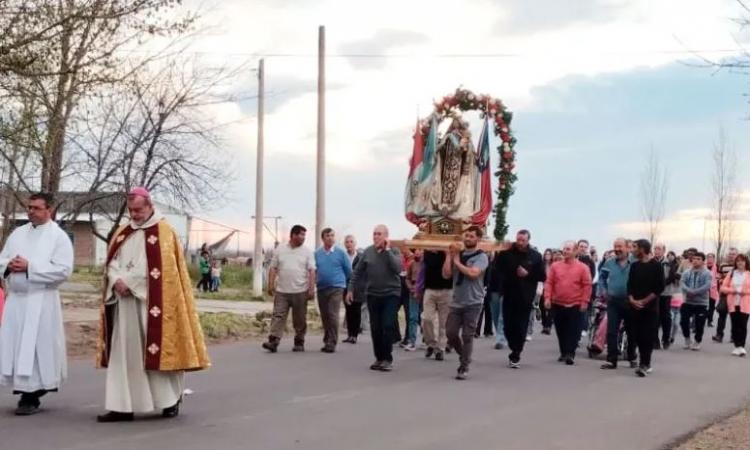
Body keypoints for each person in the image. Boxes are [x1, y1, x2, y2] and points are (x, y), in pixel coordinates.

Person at [96, 187, 210, 422]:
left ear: (149, 206)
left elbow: (162, 272)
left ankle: (169, 401)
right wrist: (116, 279)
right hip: (125, 305)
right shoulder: (122, 232)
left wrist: (130, 282)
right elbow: (112, 262)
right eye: (131, 210)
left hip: (152, 305)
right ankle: (122, 406)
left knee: (159, 352)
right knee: (125, 355)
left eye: (138, 210)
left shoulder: (165, 232)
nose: (134, 214)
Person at [0, 192, 73, 416]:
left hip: (41, 302)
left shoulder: (58, 237)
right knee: (17, 346)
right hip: (17, 301)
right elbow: (2, 258)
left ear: (48, 210)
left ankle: (31, 395)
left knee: (36, 349)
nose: (31, 211)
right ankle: (26, 388)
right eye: (29, 207)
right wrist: (10, 265)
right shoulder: (18, 234)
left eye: (36, 207)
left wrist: (30, 267)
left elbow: (63, 270)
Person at [347, 225, 402, 372]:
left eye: (379, 234)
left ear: (386, 236)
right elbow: (357, 272)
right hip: (373, 294)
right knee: (375, 328)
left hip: (391, 294)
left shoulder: (394, 250)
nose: (376, 237)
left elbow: (398, 268)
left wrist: (388, 250)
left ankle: (387, 359)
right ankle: (379, 358)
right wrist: (350, 289)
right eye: (374, 234)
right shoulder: (368, 252)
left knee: (387, 325)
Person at [442, 226, 489, 380]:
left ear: (478, 239)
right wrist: (449, 257)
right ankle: (464, 355)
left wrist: (457, 262)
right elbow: (446, 274)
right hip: (457, 301)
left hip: (473, 301)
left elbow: (473, 273)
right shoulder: (458, 254)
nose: (467, 238)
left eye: (471, 236)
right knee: (451, 333)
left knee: (468, 335)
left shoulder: (481, 257)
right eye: (466, 236)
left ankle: (464, 366)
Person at [497, 230, 546, 369]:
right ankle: (513, 344)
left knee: (521, 325)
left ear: (528, 240)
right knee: (508, 325)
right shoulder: (507, 252)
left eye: (523, 240)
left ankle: (516, 353)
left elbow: (542, 276)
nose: (520, 242)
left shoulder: (535, 256)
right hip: (509, 293)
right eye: (518, 239)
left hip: (525, 295)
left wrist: (528, 274)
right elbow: (498, 267)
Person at [262, 225, 316, 353]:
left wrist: (311, 288)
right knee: (278, 315)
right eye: (301, 235)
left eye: (304, 235)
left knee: (300, 319)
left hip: (300, 291)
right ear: (293, 235)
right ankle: (273, 341)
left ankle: (299, 341)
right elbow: (273, 268)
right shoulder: (280, 249)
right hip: (282, 291)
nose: (303, 238)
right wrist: (270, 285)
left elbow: (312, 271)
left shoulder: (307, 252)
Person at [544, 241, 592, 365]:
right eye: (564, 249)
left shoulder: (583, 267)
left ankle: (570, 353)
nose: (565, 251)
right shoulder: (555, 266)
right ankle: (564, 352)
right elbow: (549, 283)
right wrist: (547, 298)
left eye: (568, 249)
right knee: (561, 329)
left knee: (574, 330)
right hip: (558, 302)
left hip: (575, 303)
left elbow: (587, 285)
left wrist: (584, 302)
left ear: (575, 251)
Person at [627, 239, 665, 377]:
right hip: (634, 306)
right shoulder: (635, 266)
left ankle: (645, 364)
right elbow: (629, 285)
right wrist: (632, 299)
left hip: (649, 308)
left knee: (646, 337)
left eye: (635, 247)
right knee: (635, 335)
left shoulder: (656, 266)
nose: (632, 250)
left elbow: (659, 287)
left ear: (642, 249)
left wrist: (643, 301)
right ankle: (640, 361)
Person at [599, 238, 637, 370]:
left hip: (631, 302)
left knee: (632, 332)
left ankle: (632, 357)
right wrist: (604, 291)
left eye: (620, 246)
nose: (617, 249)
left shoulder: (635, 262)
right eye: (615, 246)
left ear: (628, 247)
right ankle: (611, 360)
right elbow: (602, 278)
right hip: (613, 301)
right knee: (611, 331)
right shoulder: (609, 263)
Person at [314, 228, 351, 353]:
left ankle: (332, 342)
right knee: (325, 315)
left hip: (336, 287)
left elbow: (349, 271)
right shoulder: (317, 254)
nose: (330, 238)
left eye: (332, 235)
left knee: (332, 314)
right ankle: (327, 339)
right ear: (323, 238)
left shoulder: (341, 253)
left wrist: (342, 283)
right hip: (321, 288)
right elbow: (314, 270)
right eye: (327, 235)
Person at [421, 250, 453, 361]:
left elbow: (448, 273)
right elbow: (432, 264)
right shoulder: (429, 251)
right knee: (427, 318)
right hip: (430, 289)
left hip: (446, 290)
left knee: (443, 323)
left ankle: (440, 348)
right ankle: (431, 343)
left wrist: (448, 254)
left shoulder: (451, 252)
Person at [679, 252, 712, 351]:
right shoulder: (687, 272)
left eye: (698, 259)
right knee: (683, 321)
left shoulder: (707, 273)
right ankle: (687, 339)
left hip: (701, 303)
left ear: (703, 261)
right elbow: (682, 282)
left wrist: (695, 292)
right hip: (687, 301)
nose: (695, 261)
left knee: (699, 324)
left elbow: (707, 286)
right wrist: (689, 291)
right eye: (694, 258)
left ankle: (697, 341)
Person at [721, 254, 750, 357]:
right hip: (732, 303)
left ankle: (741, 346)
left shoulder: (748, 274)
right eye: (738, 261)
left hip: (745, 304)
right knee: (734, 325)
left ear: (746, 262)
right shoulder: (732, 273)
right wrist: (733, 290)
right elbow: (723, 288)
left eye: (742, 261)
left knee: (743, 325)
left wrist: (743, 291)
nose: (740, 263)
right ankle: (737, 346)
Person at [654, 243, 678, 349]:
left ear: (664, 251)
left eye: (659, 249)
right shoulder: (651, 262)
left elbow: (671, 277)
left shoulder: (668, 263)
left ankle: (666, 338)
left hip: (665, 293)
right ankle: (655, 340)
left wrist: (660, 284)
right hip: (654, 294)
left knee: (666, 317)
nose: (656, 251)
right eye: (655, 249)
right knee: (655, 317)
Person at [714, 248, 739, 343]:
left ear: (737, 255)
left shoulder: (741, 266)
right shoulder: (723, 265)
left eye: (733, 254)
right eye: (730, 254)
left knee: (734, 316)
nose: (731, 256)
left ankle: (734, 336)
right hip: (724, 294)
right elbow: (718, 277)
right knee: (722, 314)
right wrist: (722, 283)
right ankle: (719, 335)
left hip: (736, 295)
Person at [343, 235, 364, 344]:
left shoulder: (361, 257)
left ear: (355, 244)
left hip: (358, 287)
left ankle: (354, 335)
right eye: (347, 242)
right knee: (349, 311)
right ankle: (349, 334)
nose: (349, 244)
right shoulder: (343, 256)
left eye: (351, 241)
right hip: (345, 286)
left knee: (356, 311)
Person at [403, 249, 423, 351]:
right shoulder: (412, 263)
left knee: (425, 317)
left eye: (420, 250)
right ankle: (412, 341)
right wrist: (410, 287)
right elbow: (407, 278)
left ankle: (426, 340)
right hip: (413, 291)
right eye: (416, 250)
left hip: (424, 292)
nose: (417, 252)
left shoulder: (426, 263)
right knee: (413, 317)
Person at [539, 249, 554, 335]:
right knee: (542, 306)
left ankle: (548, 326)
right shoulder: (542, 265)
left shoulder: (554, 265)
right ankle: (544, 324)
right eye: (546, 254)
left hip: (552, 288)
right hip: (543, 287)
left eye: (549, 254)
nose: (547, 255)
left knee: (551, 308)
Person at [706, 253, 720, 327]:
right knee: (704, 305)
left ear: (714, 259)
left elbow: (718, 277)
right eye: (708, 257)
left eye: (711, 257)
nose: (709, 259)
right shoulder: (703, 266)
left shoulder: (716, 266)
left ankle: (710, 321)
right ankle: (702, 319)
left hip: (713, 289)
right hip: (704, 289)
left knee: (712, 306)